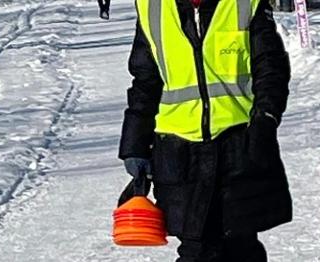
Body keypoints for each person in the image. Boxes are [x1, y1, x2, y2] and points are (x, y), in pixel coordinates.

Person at [119, 0, 292, 261]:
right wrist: (135, 145)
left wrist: (265, 119)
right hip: (179, 154)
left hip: (238, 146)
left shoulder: (245, 3)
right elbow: (145, 81)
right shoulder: (151, 7)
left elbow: (270, 67)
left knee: (239, 245)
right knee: (197, 248)